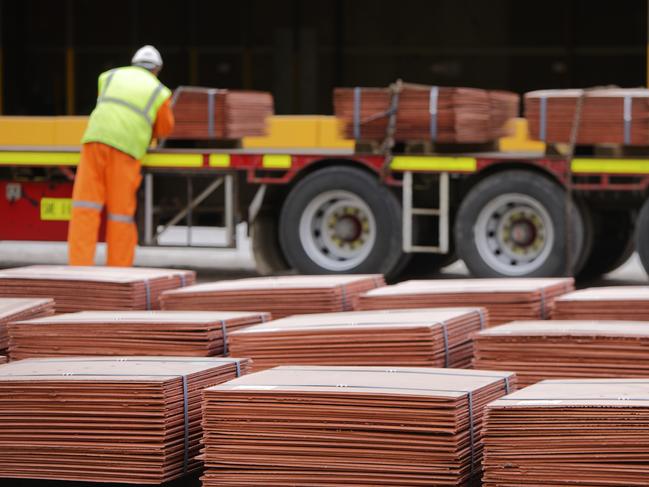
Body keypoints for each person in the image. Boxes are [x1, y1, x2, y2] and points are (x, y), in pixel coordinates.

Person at [67, 45, 175, 266]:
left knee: (85, 208)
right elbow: (165, 128)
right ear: (157, 69)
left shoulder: (108, 76)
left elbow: (107, 104)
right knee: (120, 215)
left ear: (133, 63)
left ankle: (78, 268)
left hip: (94, 141)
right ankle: (118, 270)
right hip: (126, 149)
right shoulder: (159, 91)